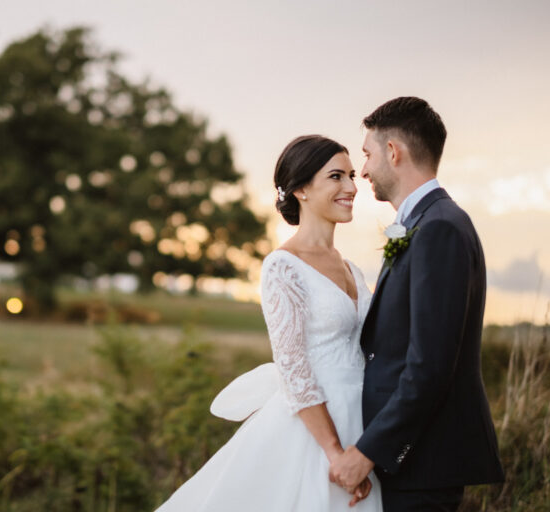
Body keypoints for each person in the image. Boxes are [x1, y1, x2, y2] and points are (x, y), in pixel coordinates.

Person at [156, 135, 382, 511]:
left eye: (352, 175)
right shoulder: (284, 266)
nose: (351, 187)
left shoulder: (353, 270)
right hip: (316, 433)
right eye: (336, 177)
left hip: (361, 425)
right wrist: (334, 453)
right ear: (301, 190)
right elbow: (293, 366)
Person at [328, 97, 505, 511]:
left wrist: (367, 451)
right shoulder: (426, 223)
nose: (365, 170)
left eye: (368, 155)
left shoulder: (438, 227)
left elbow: (429, 366)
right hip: (412, 462)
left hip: (423, 463)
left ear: (394, 152)